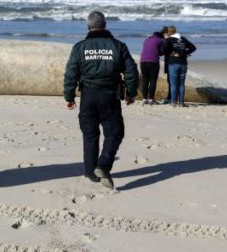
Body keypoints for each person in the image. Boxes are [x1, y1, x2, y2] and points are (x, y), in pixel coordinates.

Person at [63, 11, 139, 189]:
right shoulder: (118, 46)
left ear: (89, 26)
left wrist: (69, 96)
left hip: (88, 96)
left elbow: (71, 73)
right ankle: (103, 166)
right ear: (105, 25)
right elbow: (131, 71)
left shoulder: (79, 47)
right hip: (109, 95)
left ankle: (91, 172)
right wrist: (131, 92)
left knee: (90, 135)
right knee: (114, 133)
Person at [162, 26, 196, 107]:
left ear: (169, 32)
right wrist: (184, 53)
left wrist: (171, 52)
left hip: (173, 63)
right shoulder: (182, 38)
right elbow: (193, 48)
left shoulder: (169, 39)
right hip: (183, 63)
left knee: (173, 84)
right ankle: (181, 103)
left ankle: (173, 102)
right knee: (181, 84)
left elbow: (163, 50)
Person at [139, 29, 166, 104]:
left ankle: (144, 99)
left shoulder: (146, 40)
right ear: (160, 36)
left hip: (143, 61)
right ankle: (151, 99)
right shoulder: (160, 41)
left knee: (145, 80)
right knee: (153, 80)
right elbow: (161, 52)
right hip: (153, 62)